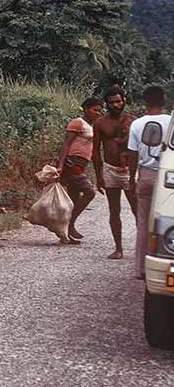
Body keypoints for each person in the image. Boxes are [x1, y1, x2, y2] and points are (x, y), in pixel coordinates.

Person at [127, 85, 170, 280]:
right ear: (164, 101)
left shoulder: (137, 124)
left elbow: (132, 155)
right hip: (168, 176)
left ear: (144, 102)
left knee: (143, 223)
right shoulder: (171, 122)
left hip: (145, 175)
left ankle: (140, 269)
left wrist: (132, 179)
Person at [92, 85, 137, 259]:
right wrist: (99, 176)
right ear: (106, 104)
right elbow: (95, 151)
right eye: (112, 103)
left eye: (118, 101)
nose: (116, 105)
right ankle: (118, 248)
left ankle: (141, 249)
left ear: (124, 100)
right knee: (114, 209)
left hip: (128, 170)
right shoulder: (100, 123)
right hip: (110, 169)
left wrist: (134, 172)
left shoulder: (133, 121)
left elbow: (139, 148)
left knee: (136, 209)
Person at [56, 97, 104, 244]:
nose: (97, 113)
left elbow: (96, 153)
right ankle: (69, 225)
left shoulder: (94, 126)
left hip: (81, 164)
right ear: (85, 109)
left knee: (73, 198)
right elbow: (66, 144)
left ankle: (66, 233)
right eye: (94, 110)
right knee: (89, 192)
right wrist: (60, 165)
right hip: (72, 164)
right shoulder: (78, 123)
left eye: (99, 111)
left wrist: (99, 175)